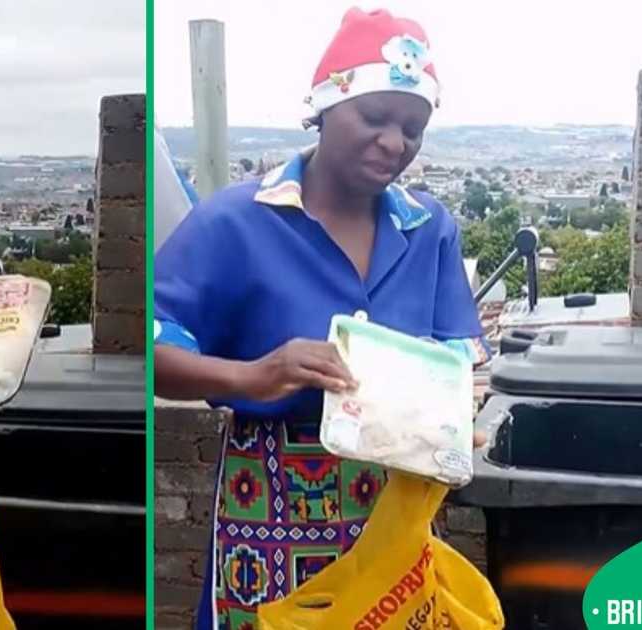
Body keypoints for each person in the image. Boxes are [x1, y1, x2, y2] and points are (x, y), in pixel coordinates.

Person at [153, 8, 492, 629]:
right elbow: (153, 352)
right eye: (375, 118)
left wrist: (452, 418)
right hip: (271, 501)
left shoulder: (429, 230)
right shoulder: (235, 224)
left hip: (396, 499)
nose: (395, 143)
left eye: (413, 128)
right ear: (324, 108)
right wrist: (254, 376)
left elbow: (458, 359)